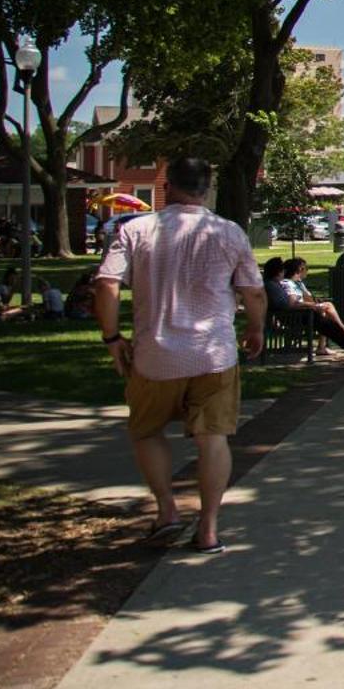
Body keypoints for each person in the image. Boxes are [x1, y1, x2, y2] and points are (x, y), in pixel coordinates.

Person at [92, 157, 263, 555]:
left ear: (167, 186)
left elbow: (106, 285)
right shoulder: (228, 232)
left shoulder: (136, 229)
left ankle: (167, 509)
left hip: (154, 355)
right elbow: (253, 290)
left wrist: (112, 337)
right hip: (214, 354)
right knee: (213, 439)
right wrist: (255, 327)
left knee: (147, 431)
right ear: (207, 189)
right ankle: (208, 529)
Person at [263, 258, 344, 360]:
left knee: (330, 325)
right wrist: (312, 306)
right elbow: (291, 304)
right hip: (295, 317)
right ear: (278, 272)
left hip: (298, 315)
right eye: (282, 270)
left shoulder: (274, 284)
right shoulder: (273, 285)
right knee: (329, 326)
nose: (285, 272)